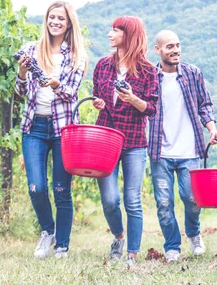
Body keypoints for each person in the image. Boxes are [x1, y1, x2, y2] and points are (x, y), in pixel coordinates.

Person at [15, 1, 88, 259]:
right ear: (46, 20)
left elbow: (70, 94)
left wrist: (56, 84)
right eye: (52, 17)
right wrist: (22, 73)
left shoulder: (77, 57)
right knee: (36, 187)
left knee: (61, 189)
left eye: (61, 18)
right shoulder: (32, 50)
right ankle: (48, 230)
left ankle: (62, 246)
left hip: (63, 129)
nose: (55, 22)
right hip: (34, 125)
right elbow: (21, 92)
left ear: (69, 24)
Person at [91, 15, 159, 267]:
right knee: (110, 199)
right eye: (111, 29)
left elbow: (151, 108)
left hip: (133, 142)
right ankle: (119, 236)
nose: (110, 34)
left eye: (116, 30)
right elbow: (97, 96)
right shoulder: (102, 65)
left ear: (129, 36)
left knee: (132, 199)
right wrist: (99, 102)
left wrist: (132, 99)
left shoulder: (148, 71)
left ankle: (132, 254)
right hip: (105, 139)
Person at [148, 30, 217, 263]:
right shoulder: (150, 77)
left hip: (190, 150)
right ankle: (172, 246)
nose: (175, 50)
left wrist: (211, 128)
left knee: (192, 198)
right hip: (161, 152)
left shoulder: (192, 73)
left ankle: (194, 233)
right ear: (158, 50)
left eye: (178, 45)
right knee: (164, 203)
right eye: (169, 46)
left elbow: (205, 105)